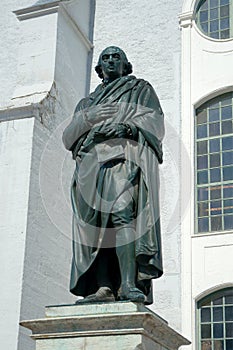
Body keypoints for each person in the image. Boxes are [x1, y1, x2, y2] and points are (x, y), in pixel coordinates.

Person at [62, 46, 164, 304]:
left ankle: (129, 284)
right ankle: (104, 287)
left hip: (122, 159)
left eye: (116, 57)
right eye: (105, 58)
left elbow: (154, 121)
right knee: (96, 227)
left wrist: (126, 126)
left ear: (126, 64)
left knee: (122, 215)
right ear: (98, 68)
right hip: (91, 168)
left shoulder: (139, 89)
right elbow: (67, 138)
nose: (110, 61)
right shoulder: (87, 103)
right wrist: (88, 118)